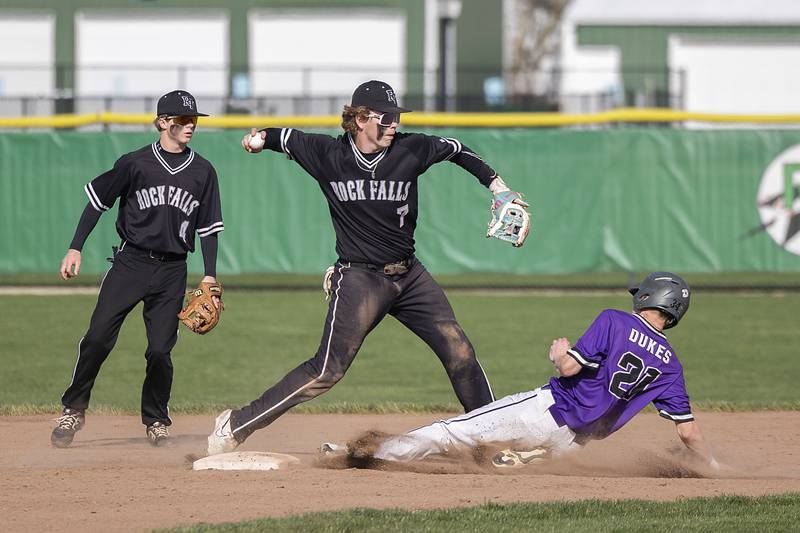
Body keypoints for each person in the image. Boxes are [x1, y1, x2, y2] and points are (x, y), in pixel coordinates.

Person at [206, 80, 528, 455]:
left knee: (460, 352)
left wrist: (497, 186)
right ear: (360, 119)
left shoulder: (411, 149)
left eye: (396, 117)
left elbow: (457, 150)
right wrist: (260, 139)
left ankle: (491, 441)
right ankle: (236, 424)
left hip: (409, 276)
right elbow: (285, 137)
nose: (394, 124)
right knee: (326, 370)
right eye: (386, 117)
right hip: (360, 278)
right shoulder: (328, 154)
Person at [323, 272, 721, 472]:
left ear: (650, 297)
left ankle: (363, 456)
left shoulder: (616, 321)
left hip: (546, 411)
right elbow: (688, 431)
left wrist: (559, 353)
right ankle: (521, 457)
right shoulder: (670, 364)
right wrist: (714, 469)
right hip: (575, 445)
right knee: (502, 456)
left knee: (451, 430)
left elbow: (569, 369)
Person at [51, 90, 224, 448]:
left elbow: (208, 228)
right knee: (98, 336)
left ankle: (157, 420)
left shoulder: (204, 171)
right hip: (130, 263)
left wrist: (209, 273)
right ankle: (73, 409)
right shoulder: (135, 163)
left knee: (160, 350)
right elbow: (97, 203)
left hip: (173, 269)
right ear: (163, 123)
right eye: (183, 120)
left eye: (193, 120)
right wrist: (75, 247)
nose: (190, 126)